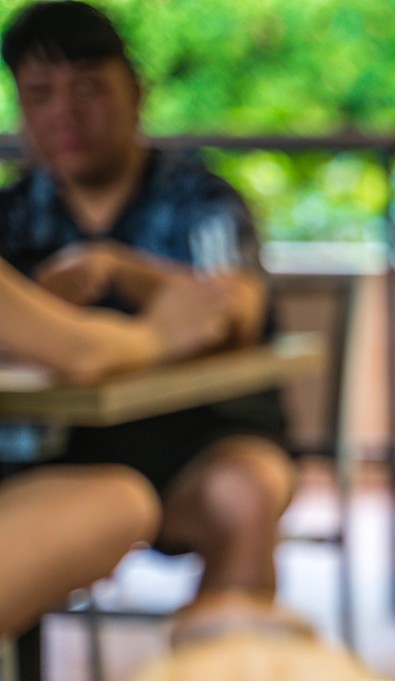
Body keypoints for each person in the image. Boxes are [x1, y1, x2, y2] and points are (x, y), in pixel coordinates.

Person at [0, 1, 295, 612]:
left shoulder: (199, 199)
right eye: (40, 95)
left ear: (136, 90)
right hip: (58, 450)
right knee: (100, 499)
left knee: (243, 492)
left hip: (196, 438)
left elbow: (234, 311)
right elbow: (77, 353)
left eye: (88, 90)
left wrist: (122, 271)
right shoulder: (14, 215)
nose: (65, 114)